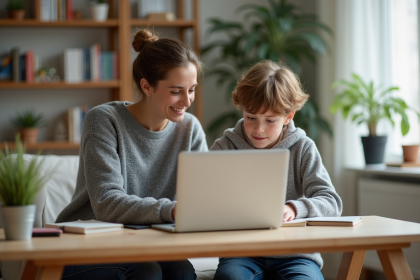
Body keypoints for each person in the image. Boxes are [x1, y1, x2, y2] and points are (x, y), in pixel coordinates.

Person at [56, 29, 208, 280]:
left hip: (146, 243)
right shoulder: (104, 120)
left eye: (191, 89)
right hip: (84, 246)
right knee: (145, 271)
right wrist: (173, 211)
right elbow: (106, 202)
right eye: (176, 91)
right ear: (147, 86)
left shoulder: (190, 128)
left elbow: (205, 194)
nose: (187, 100)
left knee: (182, 271)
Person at [210, 60, 343, 280]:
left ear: (288, 116)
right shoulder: (224, 147)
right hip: (240, 253)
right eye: (251, 117)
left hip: (297, 254)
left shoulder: (303, 147)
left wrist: (293, 208)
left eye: (270, 120)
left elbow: (331, 201)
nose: (258, 129)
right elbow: (204, 202)